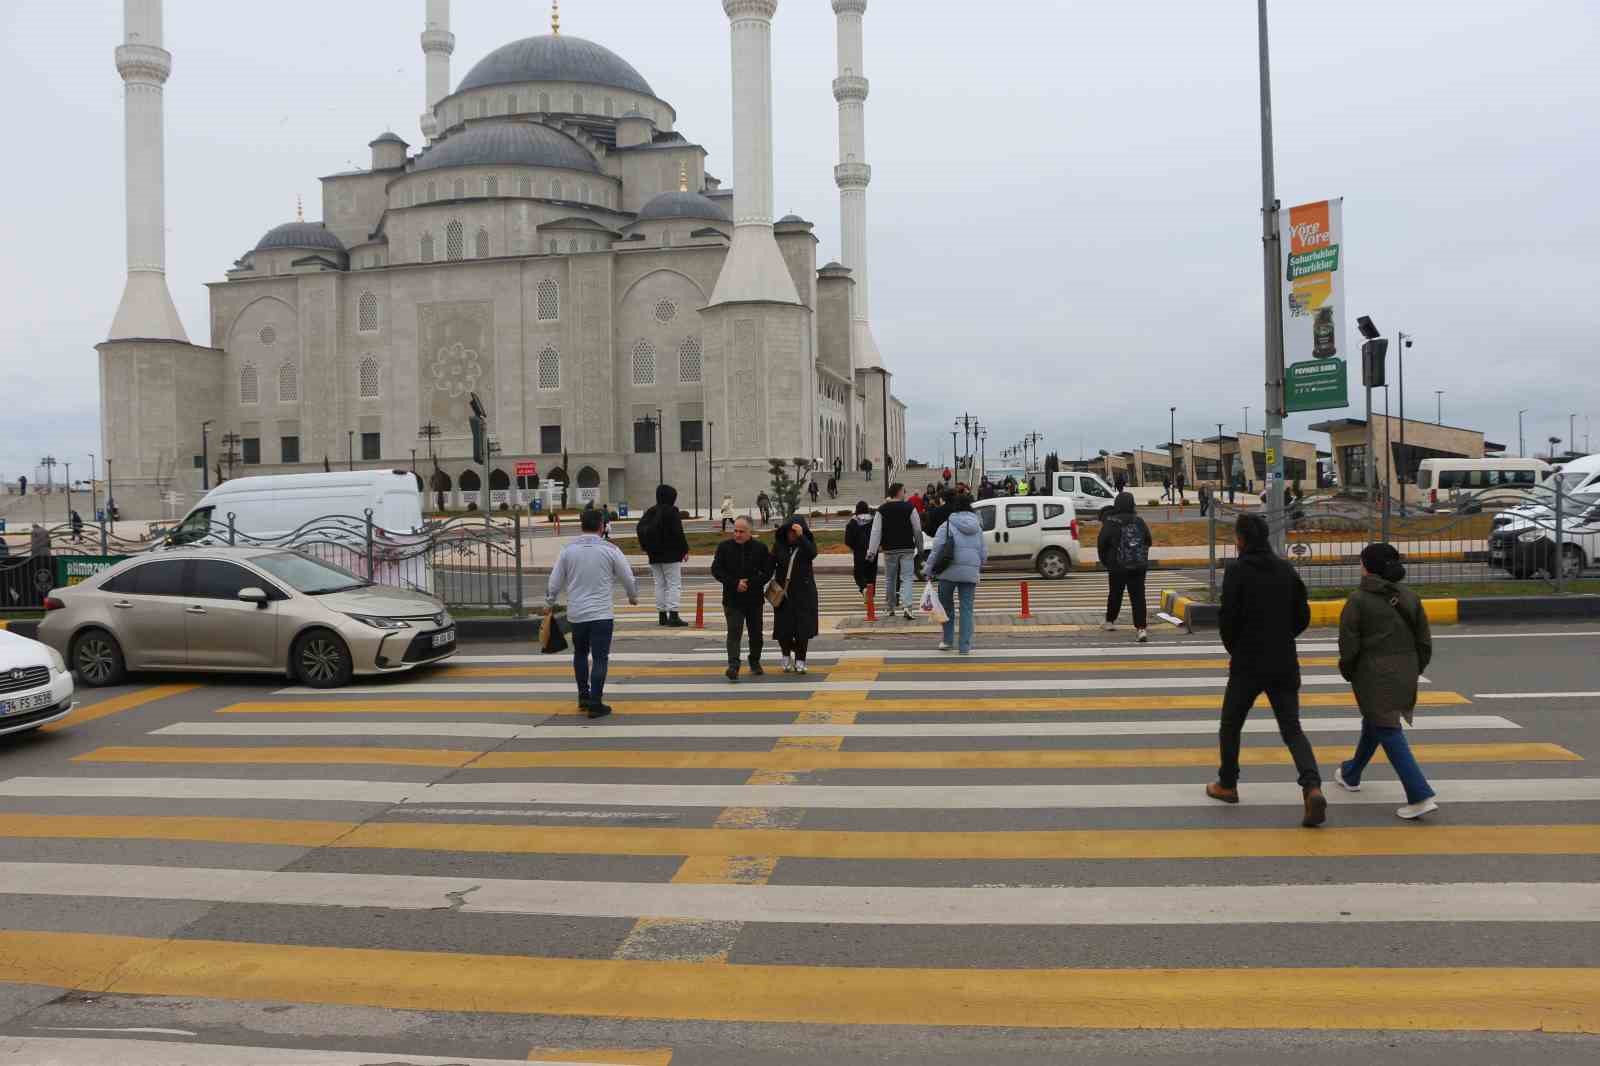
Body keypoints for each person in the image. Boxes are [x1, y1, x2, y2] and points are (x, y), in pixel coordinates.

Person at [1209, 513, 1327, 827]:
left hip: (1248, 663)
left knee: (1231, 725)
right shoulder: (1285, 569)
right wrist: (1282, 636)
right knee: (1292, 729)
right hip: (1283, 661)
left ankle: (1228, 784)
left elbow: (1227, 620)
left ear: (1242, 539)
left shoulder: (1237, 571)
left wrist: (1237, 648)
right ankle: (1311, 786)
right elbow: (1302, 615)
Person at [1334, 544, 1439, 819]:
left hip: (1373, 675)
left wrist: (1349, 671)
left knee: (1388, 730)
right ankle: (1351, 773)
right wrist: (1414, 668)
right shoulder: (1410, 597)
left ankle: (1420, 795)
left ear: (1366, 567)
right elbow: (1424, 642)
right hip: (1406, 671)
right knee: (1376, 722)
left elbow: (1349, 645)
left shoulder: (1358, 600)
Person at [546, 508, 638, 719]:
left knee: (580, 654)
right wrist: (633, 597)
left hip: (577, 615)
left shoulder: (567, 550)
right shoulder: (611, 550)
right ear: (602, 526)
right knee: (599, 657)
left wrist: (549, 602)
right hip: (601, 615)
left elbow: (554, 582)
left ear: (581, 525)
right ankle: (596, 703)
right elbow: (628, 577)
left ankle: (583, 697)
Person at [711, 516, 772, 681]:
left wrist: (750, 583)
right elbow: (716, 570)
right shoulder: (724, 547)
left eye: (741, 531)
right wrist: (734, 583)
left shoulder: (760, 548)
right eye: (735, 531)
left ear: (750, 532)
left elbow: (767, 572)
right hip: (732, 599)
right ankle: (733, 666)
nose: (737, 534)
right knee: (734, 633)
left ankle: (754, 661)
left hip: (754, 599)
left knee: (756, 634)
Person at [925, 492, 986, 654]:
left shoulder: (946, 525)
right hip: (969, 573)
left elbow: (936, 550)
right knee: (966, 609)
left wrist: (928, 570)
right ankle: (965, 646)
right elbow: (983, 552)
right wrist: (977, 566)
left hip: (947, 572)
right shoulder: (977, 526)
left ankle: (947, 640)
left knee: (947, 607)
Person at [1097, 491, 1153, 642]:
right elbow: (1148, 540)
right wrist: (1141, 557)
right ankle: (1141, 629)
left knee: (1115, 594)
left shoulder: (1111, 522)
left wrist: (1107, 562)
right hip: (1138, 566)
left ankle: (1110, 622)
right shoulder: (1139, 521)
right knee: (1138, 597)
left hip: (1117, 566)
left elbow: (1102, 544)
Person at [867, 483, 923, 620]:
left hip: (889, 549)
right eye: (904, 491)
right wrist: (920, 547)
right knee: (907, 577)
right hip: (907, 548)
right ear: (899, 492)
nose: (905, 493)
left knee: (890, 579)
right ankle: (907, 606)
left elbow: (876, 532)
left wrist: (872, 551)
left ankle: (890, 607)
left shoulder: (882, 510)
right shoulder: (910, 508)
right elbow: (917, 529)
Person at [771, 516, 819, 673]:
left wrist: (801, 536)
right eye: (789, 531)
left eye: (795, 532)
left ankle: (800, 659)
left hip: (804, 594)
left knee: (802, 629)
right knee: (783, 628)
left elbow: (813, 553)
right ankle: (785, 655)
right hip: (783, 594)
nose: (791, 535)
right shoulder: (779, 546)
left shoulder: (806, 545)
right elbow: (769, 564)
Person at [639, 484, 690, 628]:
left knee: (659, 584)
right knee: (674, 584)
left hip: (654, 554)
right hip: (671, 555)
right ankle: (673, 615)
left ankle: (662, 615)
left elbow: (641, 529)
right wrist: (684, 549)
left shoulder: (651, 511)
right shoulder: (672, 511)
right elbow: (678, 533)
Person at [844, 500, 878, 603]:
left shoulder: (853, 522)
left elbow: (848, 540)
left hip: (859, 552)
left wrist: (854, 546)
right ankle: (871, 594)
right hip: (872, 551)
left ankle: (863, 588)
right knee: (871, 573)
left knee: (859, 573)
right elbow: (878, 534)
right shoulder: (873, 521)